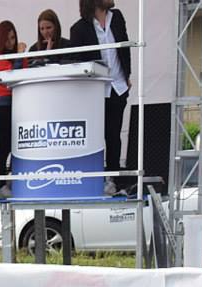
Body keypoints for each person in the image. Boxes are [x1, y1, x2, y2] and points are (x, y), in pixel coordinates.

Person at [70, 0, 131, 195]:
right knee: (95, 136)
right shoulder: (79, 28)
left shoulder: (117, 17)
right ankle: (93, 179)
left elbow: (125, 47)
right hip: (95, 90)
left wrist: (127, 75)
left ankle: (112, 179)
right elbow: (76, 62)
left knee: (114, 136)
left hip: (118, 86)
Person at [0, 21, 28, 198]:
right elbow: (12, 77)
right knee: (4, 146)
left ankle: (14, 182)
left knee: (18, 146)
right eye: (7, 39)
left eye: (13, 38)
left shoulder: (18, 56)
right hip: (4, 105)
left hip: (20, 103)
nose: (11, 42)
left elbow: (25, 74)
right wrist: (20, 55)